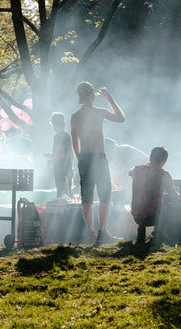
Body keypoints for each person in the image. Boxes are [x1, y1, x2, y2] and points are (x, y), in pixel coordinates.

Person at [71, 82, 125, 245]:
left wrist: (79, 157)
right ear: (92, 96)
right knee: (105, 194)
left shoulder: (75, 115)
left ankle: (91, 233)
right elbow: (121, 118)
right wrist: (110, 99)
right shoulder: (98, 112)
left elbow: (74, 141)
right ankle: (101, 232)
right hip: (98, 157)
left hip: (85, 157)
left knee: (86, 197)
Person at [130, 146, 181, 244]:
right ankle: (161, 233)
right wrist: (176, 192)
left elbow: (130, 172)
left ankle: (141, 234)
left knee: (150, 205)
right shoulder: (164, 175)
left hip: (136, 216)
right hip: (152, 217)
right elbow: (174, 198)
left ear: (150, 157)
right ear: (164, 162)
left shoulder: (137, 169)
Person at [46, 112, 73, 198]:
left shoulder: (58, 137)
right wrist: (53, 159)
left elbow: (61, 155)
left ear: (53, 124)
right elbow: (70, 155)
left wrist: (51, 156)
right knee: (67, 194)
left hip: (62, 171)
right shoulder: (67, 136)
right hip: (67, 170)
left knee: (62, 196)